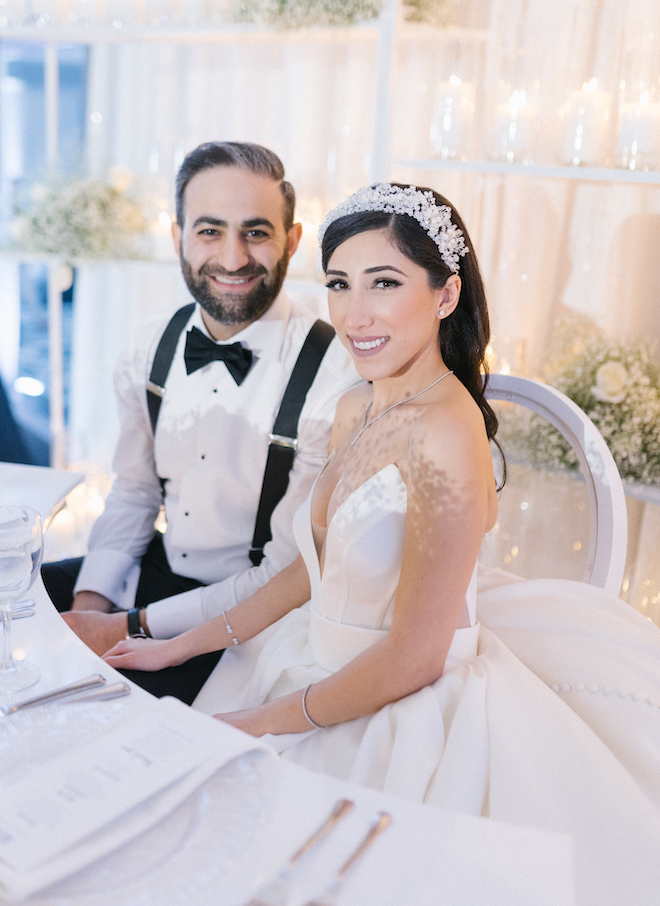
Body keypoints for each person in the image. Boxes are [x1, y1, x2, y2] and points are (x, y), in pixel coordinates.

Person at [103, 183, 660, 906]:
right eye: (339, 284)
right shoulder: (356, 403)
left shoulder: (446, 432)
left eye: (385, 283)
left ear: (446, 294)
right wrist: (185, 643)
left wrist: (259, 723)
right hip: (305, 659)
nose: (354, 315)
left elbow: (415, 656)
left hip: (401, 704)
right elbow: (314, 568)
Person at [42, 141, 359, 703]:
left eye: (256, 233)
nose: (233, 258)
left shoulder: (336, 375)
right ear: (177, 237)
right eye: (210, 231)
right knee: (21, 608)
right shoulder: (148, 344)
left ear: (292, 239)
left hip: (255, 619)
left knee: (104, 709)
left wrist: (122, 629)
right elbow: (136, 493)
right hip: (156, 574)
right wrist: (88, 609)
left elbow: (286, 572)